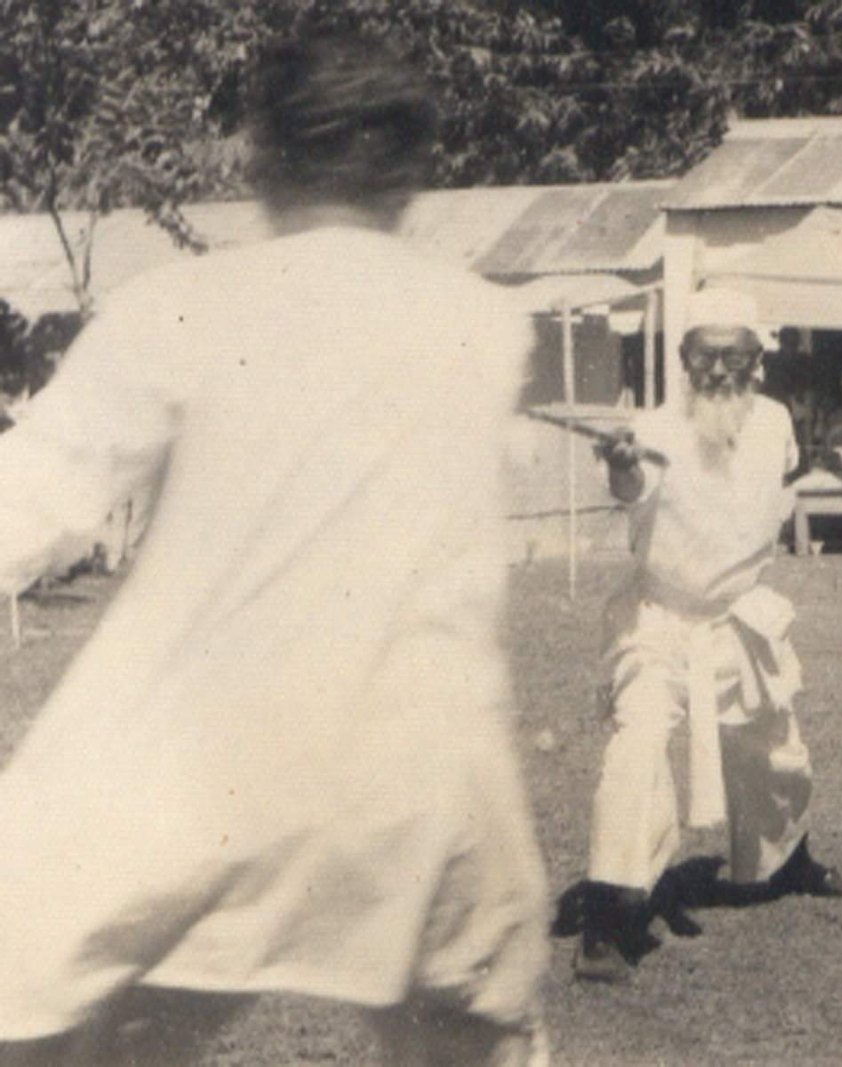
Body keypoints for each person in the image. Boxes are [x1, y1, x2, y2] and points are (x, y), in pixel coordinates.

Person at [0, 33, 549, 1067]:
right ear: (410, 172)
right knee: (478, 1027)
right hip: (413, 780)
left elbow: (29, 501)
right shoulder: (486, 324)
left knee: (67, 1019)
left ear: (261, 161)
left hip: (187, 769)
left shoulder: (180, 304)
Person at [574, 288, 842, 985]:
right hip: (661, 623)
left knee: (776, 750)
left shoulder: (774, 423)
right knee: (639, 742)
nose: (719, 368)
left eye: (733, 354)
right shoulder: (651, 427)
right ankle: (608, 915)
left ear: (757, 362)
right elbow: (629, 486)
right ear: (683, 360)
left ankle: (785, 860)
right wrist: (621, 463)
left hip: (739, 616)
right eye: (705, 354)